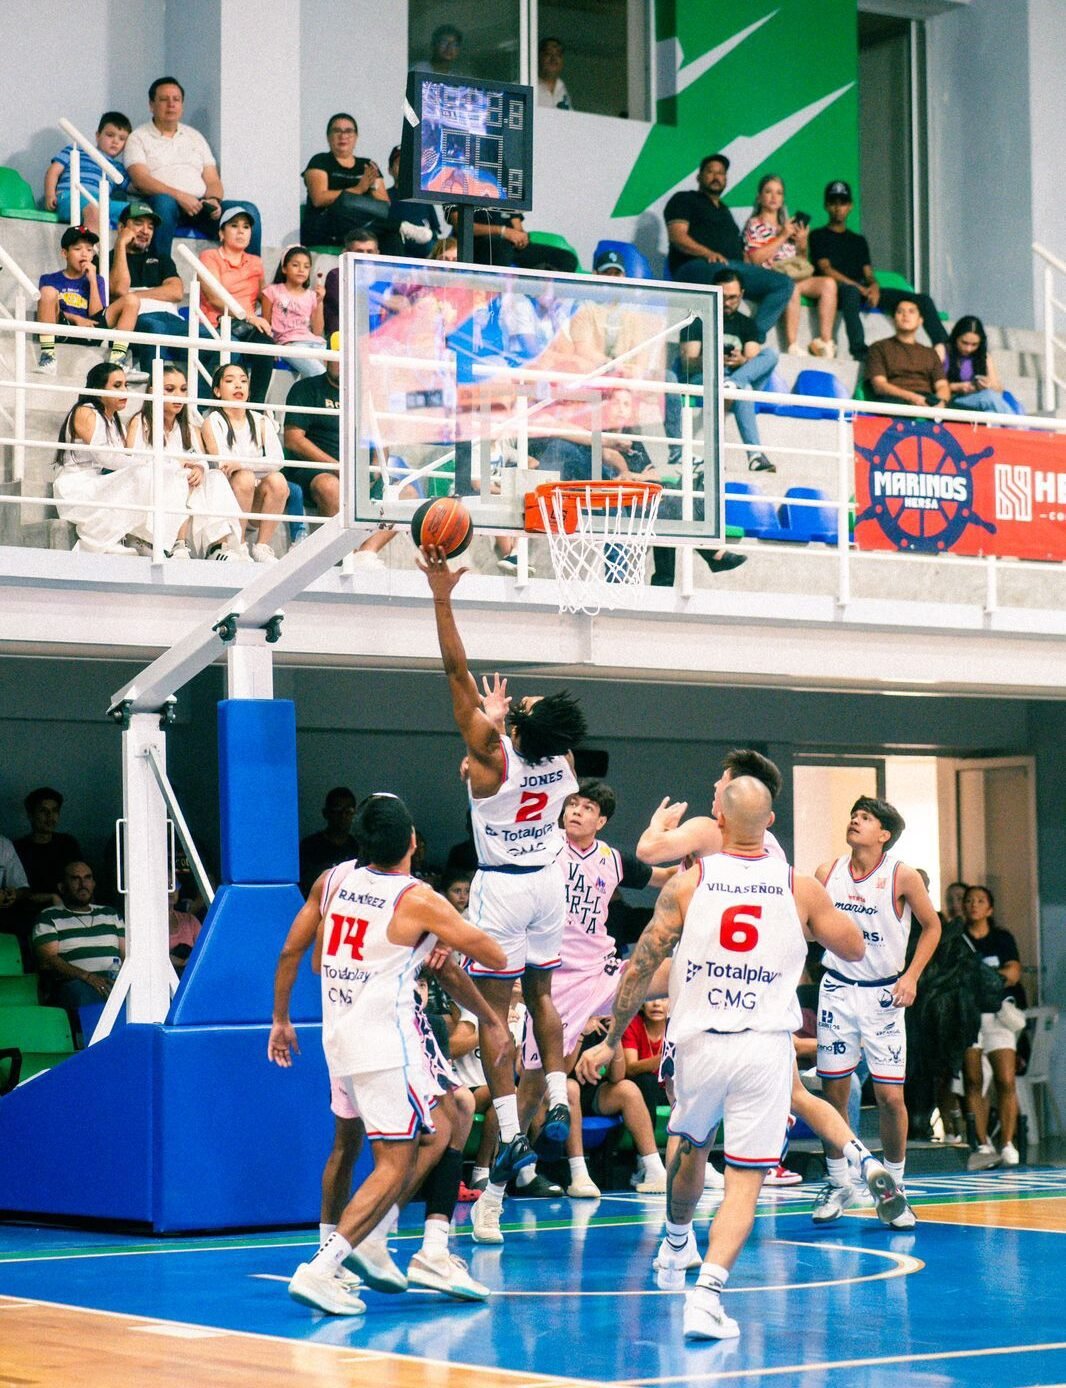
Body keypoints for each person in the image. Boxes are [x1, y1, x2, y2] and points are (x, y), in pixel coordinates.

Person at [577, 775, 865, 1342]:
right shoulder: (799, 886)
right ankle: (707, 1295)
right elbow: (854, 946)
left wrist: (611, 1039)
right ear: (772, 824)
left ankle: (677, 1240)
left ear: (720, 824)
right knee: (745, 1180)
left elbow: (642, 968)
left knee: (690, 1149)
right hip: (763, 1046)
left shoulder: (690, 883)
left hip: (699, 1042)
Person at [635, 749, 909, 1228]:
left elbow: (648, 856)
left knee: (688, 1123)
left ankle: (677, 1237)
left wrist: (656, 826)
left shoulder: (707, 828)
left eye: (722, 782)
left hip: (706, 993)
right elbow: (846, 942)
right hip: (762, 996)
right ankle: (866, 1161)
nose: (714, 788)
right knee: (800, 1095)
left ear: (737, 795)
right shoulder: (775, 856)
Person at [267, 793, 507, 1316]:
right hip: (384, 1042)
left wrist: (281, 1019)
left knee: (391, 1135)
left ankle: (374, 1245)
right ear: (413, 842)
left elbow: (294, 955)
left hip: (337, 1036)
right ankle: (328, 1265)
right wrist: (448, 934)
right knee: (399, 1158)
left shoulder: (331, 880)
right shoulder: (418, 897)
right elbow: (494, 953)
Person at [419, 548, 588, 1245]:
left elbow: (455, 671)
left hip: (504, 889)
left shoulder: (490, 759)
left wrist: (441, 597)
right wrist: (508, 718)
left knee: (495, 1008)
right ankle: (555, 1091)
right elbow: (535, 730)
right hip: (551, 881)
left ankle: (514, 1128)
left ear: (513, 733)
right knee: (543, 993)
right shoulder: (561, 762)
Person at [512, 776, 674, 1198]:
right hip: (552, 976)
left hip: (600, 968)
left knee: (676, 972)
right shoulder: (545, 846)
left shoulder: (613, 858)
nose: (576, 812)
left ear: (600, 820)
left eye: (586, 807)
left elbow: (663, 877)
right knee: (534, 1084)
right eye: (573, 805)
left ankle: (653, 1164)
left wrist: (695, 855)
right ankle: (504, 1163)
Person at [813, 797, 942, 1222]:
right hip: (836, 989)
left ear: (884, 834)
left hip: (884, 994)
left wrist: (912, 977)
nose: (855, 820)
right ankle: (837, 1183)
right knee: (834, 1093)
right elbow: (810, 928)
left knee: (889, 1097)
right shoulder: (825, 873)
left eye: (866, 818)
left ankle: (896, 1187)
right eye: (854, 814)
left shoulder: (900, 875)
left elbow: (933, 926)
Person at [281, 336, 401, 569]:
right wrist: (336, 466)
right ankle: (345, 553)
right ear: (328, 358)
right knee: (330, 486)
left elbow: (382, 437)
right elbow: (294, 439)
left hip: (359, 473)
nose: (343, 363)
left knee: (404, 495)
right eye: (338, 357)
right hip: (315, 472)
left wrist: (377, 469)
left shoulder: (368, 396)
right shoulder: (307, 388)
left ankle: (366, 552)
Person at [809, 179, 947, 362]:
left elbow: (868, 272)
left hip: (863, 290)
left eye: (842, 203)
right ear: (826, 205)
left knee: (922, 299)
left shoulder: (858, 240)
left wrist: (873, 286)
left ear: (850, 206)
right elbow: (825, 269)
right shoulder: (818, 236)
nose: (838, 207)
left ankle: (946, 346)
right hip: (840, 292)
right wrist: (857, 286)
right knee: (850, 292)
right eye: (833, 202)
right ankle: (859, 351)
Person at [124, 76, 262, 258]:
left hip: (200, 206)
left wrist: (213, 200)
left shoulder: (194, 136)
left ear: (182, 104)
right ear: (151, 105)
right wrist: (180, 197)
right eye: (164, 100)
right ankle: (157, 270)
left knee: (247, 209)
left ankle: (251, 274)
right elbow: (141, 180)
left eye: (176, 100)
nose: (171, 104)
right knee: (164, 203)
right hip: (163, 205)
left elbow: (213, 180)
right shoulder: (138, 136)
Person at [52, 362, 173, 556]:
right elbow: (107, 458)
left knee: (162, 473)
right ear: (99, 389)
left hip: (98, 482)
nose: (124, 390)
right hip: (76, 486)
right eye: (117, 386)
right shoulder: (85, 411)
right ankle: (101, 541)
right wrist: (147, 461)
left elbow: (122, 461)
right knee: (142, 472)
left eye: (126, 385)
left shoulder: (116, 422)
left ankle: (139, 537)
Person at [125, 362, 244, 559]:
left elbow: (201, 459)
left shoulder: (189, 427)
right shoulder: (141, 422)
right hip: (152, 490)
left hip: (184, 491)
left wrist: (199, 467)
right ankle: (176, 543)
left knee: (214, 476)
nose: (178, 396)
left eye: (183, 389)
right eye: (170, 390)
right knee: (179, 475)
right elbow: (134, 463)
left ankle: (217, 548)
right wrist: (177, 464)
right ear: (154, 391)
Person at [663, 154, 791, 336]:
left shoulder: (725, 212)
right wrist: (707, 253)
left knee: (783, 284)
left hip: (732, 268)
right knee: (724, 268)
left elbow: (740, 253)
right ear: (699, 177)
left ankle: (752, 336)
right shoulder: (684, 199)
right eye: (710, 172)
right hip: (695, 268)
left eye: (721, 173)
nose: (716, 176)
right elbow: (677, 236)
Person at [676, 269, 777, 472]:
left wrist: (741, 360)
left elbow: (754, 357)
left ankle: (732, 383)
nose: (727, 303)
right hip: (705, 378)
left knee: (771, 354)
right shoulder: (697, 321)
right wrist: (712, 359)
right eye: (723, 297)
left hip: (734, 375)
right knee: (743, 389)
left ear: (741, 295)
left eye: (733, 298)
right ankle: (755, 455)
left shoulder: (746, 324)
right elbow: (688, 363)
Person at [961, 884, 1023, 1169]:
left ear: (990, 908)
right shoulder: (957, 939)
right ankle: (983, 1142)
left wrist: (984, 976)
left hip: (998, 1015)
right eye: (969, 900)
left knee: (1005, 1079)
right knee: (973, 1081)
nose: (974, 905)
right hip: (970, 1017)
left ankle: (1008, 1143)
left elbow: (1012, 973)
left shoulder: (1002, 938)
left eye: (980, 900)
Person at [200, 363, 287, 562]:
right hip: (227, 497)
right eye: (230, 381)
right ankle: (236, 545)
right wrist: (246, 466)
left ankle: (262, 547)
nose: (238, 385)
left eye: (243, 381)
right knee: (245, 477)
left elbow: (278, 460)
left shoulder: (261, 421)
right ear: (217, 391)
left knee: (278, 480)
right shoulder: (213, 421)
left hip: (254, 500)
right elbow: (224, 463)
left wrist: (241, 463)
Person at [743, 174, 837, 357]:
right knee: (789, 286)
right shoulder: (754, 224)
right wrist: (783, 236)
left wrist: (802, 244)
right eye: (768, 192)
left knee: (829, 284)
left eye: (779, 193)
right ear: (759, 197)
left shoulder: (787, 226)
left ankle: (825, 342)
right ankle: (793, 345)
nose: (773, 197)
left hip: (794, 274)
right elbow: (756, 259)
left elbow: (800, 262)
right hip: (770, 278)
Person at [35, 227, 140, 377]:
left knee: (132, 299)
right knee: (47, 291)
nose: (84, 253)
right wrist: (76, 318)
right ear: (64, 253)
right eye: (78, 249)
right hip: (64, 327)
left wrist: (92, 281)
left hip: (91, 328)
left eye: (89, 250)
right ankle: (48, 357)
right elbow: (47, 309)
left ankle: (118, 359)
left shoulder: (97, 280)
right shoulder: (49, 279)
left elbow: (96, 315)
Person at [197, 207, 273, 405]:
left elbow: (264, 296)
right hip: (217, 323)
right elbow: (214, 297)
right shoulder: (209, 256)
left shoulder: (256, 262)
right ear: (221, 232)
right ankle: (212, 406)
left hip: (247, 325)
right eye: (234, 226)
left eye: (246, 227)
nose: (241, 231)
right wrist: (247, 316)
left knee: (266, 345)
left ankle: (255, 407)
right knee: (231, 349)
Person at [33, 860, 124, 1023]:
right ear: (62, 887)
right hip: (76, 984)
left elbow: (127, 954)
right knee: (83, 994)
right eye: (75, 879)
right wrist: (87, 977)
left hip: (114, 981)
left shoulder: (110, 914)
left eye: (87, 878)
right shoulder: (49, 916)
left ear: (94, 883)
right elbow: (49, 960)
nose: (83, 884)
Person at [109, 202, 189, 375]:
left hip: (173, 321)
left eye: (150, 227)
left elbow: (176, 292)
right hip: (139, 320)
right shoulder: (107, 260)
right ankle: (153, 394)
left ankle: (203, 403)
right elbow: (120, 291)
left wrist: (135, 294)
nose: (145, 231)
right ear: (122, 227)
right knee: (155, 329)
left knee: (223, 342)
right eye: (138, 224)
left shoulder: (161, 258)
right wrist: (120, 245)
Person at [301, 113, 390, 248]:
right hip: (326, 225)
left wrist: (371, 185)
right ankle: (399, 226)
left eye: (348, 131)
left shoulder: (367, 165)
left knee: (392, 237)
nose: (343, 136)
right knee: (344, 206)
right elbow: (318, 198)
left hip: (360, 227)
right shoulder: (319, 161)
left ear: (356, 137)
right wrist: (358, 190)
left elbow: (384, 206)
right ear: (328, 136)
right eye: (337, 131)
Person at [44, 111, 131, 231]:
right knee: (94, 210)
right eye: (110, 135)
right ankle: (90, 248)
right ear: (97, 135)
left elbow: (133, 187)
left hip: (103, 202)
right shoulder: (76, 150)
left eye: (122, 139)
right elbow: (53, 171)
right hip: (70, 196)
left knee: (134, 213)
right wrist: (49, 194)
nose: (115, 141)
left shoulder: (118, 168)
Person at [865, 298, 951, 408]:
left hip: (927, 399)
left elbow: (942, 385)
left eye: (911, 311)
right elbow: (879, 385)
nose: (905, 315)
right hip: (895, 400)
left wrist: (941, 402)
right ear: (893, 318)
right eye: (900, 311)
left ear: (920, 320)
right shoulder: (879, 347)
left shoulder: (930, 353)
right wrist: (912, 398)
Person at [262, 247, 326, 378]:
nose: (301, 270)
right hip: (289, 344)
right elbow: (265, 323)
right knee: (319, 374)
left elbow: (318, 331)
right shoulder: (272, 292)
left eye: (306, 266)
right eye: (295, 265)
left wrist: (319, 302)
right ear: (284, 268)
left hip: (315, 343)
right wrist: (271, 347)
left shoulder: (312, 295)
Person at [14, 788, 81, 908]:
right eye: (43, 811)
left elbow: (81, 879)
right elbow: (16, 893)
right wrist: (49, 897)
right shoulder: (17, 849)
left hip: (67, 911)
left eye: (55, 811)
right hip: (28, 913)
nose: (50, 816)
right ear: (31, 815)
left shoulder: (68, 844)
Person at [944, 316, 1013, 414]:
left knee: (991, 412)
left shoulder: (984, 356)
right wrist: (957, 387)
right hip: (952, 400)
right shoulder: (943, 350)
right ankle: (1019, 427)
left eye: (974, 344)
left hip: (977, 400)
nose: (968, 349)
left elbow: (998, 389)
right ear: (956, 337)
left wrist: (988, 385)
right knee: (989, 397)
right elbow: (933, 385)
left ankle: (1013, 427)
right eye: (964, 343)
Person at [298, 786, 358, 898]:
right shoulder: (309, 847)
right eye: (337, 810)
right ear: (326, 813)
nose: (343, 816)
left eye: (348, 811)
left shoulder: (360, 849)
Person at [537, 37, 573, 109]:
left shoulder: (562, 89)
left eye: (558, 55)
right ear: (539, 57)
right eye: (548, 53)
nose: (554, 59)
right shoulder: (527, 84)